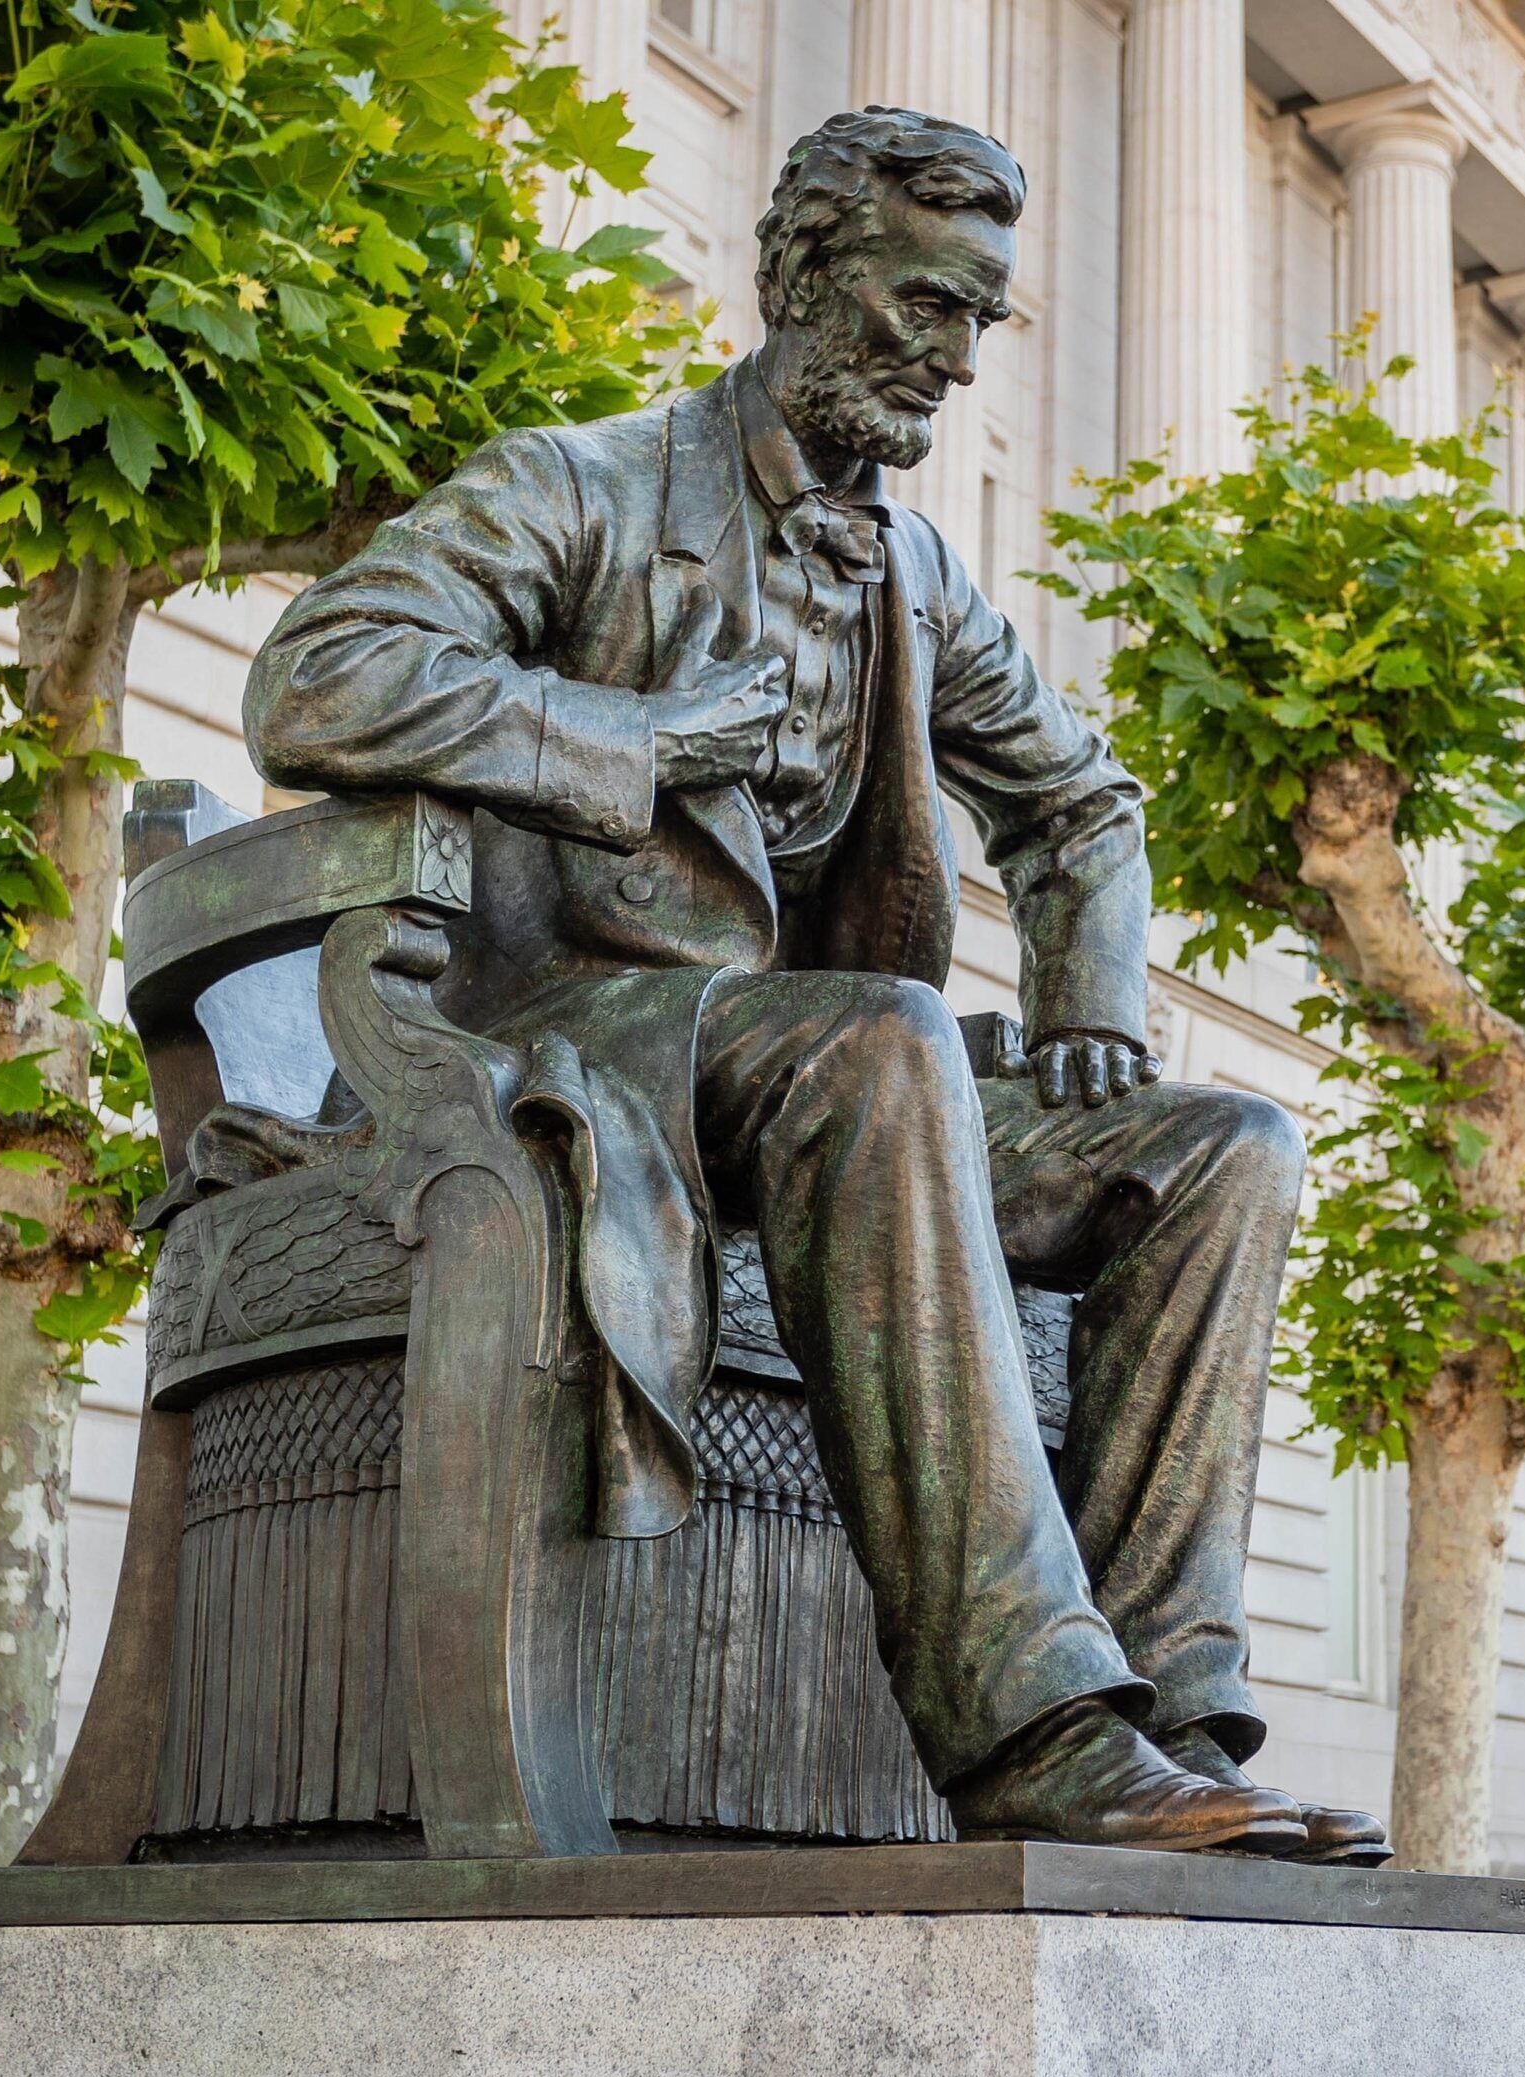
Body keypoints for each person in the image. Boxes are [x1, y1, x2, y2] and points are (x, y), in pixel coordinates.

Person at [244, 108, 1384, 1864]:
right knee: (883, 1039)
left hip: (836, 1084)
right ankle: (1029, 1731)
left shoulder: (916, 572)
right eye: (925, 304)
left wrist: (1090, 1007)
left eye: (982, 321)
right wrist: (628, 739)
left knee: (1225, 1142)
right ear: (802, 273)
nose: (955, 356)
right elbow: (316, 680)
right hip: (584, 1041)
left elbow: (1082, 800)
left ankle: (1167, 1712)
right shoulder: (589, 482)